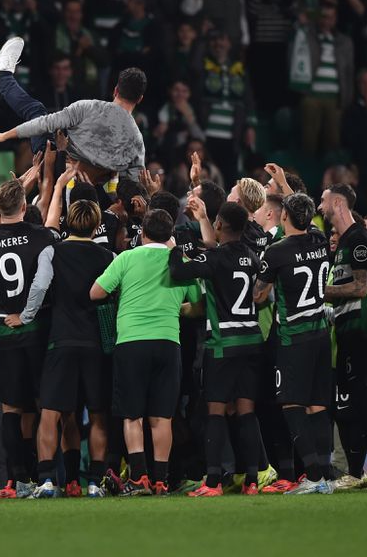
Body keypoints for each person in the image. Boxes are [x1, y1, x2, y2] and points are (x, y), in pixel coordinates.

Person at [89, 209, 200, 496]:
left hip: (131, 343)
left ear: (143, 233)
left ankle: (139, 478)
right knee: (162, 417)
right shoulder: (180, 261)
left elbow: (96, 293)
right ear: (170, 236)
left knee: (132, 415)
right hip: (167, 342)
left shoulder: (127, 257)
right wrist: (177, 308)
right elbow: (199, 305)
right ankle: (161, 479)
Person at [0, 178, 57, 499]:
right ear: (23, 207)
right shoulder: (43, 236)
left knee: (10, 408)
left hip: (2, 331)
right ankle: (46, 475)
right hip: (37, 330)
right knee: (44, 404)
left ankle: (14, 480)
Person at [170, 200, 263, 497]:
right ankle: (251, 480)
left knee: (216, 413)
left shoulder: (216, 258)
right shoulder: (252, 256)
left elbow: (177, 271)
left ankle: (212, 483)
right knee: (246, 412)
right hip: (251, 340)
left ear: (220, 225)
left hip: (223, 343)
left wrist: (176, 246)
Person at [31, 188, 115, 499]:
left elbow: (39, 289)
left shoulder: (53, 252)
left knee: (52, 413)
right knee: (97, 415)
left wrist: (24, 317)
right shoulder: (109, 257)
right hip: (95, 344)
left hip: (61, 341)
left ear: (67, 222)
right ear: (95, 226)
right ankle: (93, 482)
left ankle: (47, 480)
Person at [255, 192, 335, 495]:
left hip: (294, 337)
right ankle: (323, 475)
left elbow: (259, 295)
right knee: (316, 407)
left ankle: (314, 476)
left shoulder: (276, 252)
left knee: (291, 404)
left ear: (283, 216)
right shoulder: (320, 241)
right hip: (320, 334)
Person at [0, 37, 147, 183]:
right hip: (92, 198)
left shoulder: (88, 107)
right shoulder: (137, 142)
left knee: (36, 111)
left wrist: (5, 135)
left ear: (116, 90)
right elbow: (133, 186)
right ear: (140, 99)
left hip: (59, 170)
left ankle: (2, 75)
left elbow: (45, 123)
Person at [319, 183, 367, 491]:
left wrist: (318, 292)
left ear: (338, 203)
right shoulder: (346, 242)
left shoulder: (361, 239)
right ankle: (356, 471)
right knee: (349, 405)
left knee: (363, 399)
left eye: (323, 201)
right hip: (347, 330)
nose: (319, 207)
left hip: (361, 330)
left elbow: (360, 288)